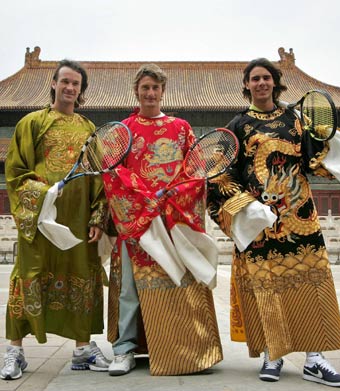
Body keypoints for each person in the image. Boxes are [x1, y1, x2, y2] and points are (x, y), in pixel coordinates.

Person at [207, 57, 340, 388]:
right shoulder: (238, 125)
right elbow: (219, 172)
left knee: (311, 284)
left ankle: (315, 358)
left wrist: (333, 140)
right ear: (246, 85)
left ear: (275, 82)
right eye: (254, 78)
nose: (260, 83)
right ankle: (274, 352)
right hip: (261, 222)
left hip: (299, 217)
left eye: (266, 78)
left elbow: (316, 159)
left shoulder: (295, 119)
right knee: (267, 290)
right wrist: (245, 208)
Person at [103, 63, 223, 376]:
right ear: (136, 92)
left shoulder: (181, 128)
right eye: (145, 88)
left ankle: (184, 345)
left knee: (179, 279)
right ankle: (125, 349)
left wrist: (171, 199)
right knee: (130, 286)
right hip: (139, 222)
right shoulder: (124, 130)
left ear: (162, 92)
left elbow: (196, 172)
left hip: (172, 218)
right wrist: (144, 201)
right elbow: (115, 173)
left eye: (155, 88)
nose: (150, 93)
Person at [1, 59, 110, 381]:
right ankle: (14, 351)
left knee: (82, 277)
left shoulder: (88, 130)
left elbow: (99, 177)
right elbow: (16, 172)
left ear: (81, 90)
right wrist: (45, 193)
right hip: (40, 222)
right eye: (65, 81)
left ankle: (82, 349)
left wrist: (97, 216)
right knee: (28, 276)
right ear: (53, 83)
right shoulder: (31, 123)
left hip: (77, 224)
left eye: (76, 84)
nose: (70, 88)